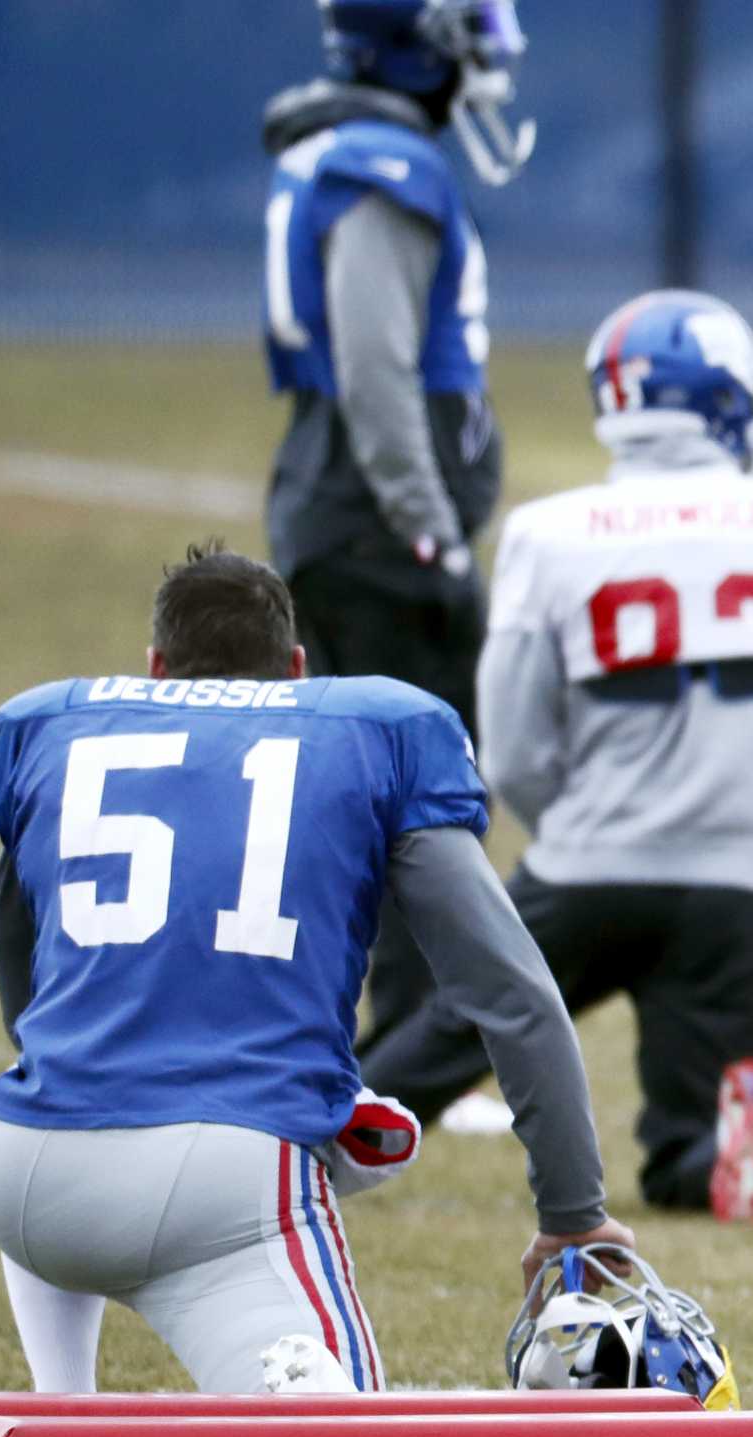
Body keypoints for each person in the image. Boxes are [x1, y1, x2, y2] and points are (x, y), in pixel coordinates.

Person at [0, 544, 632, 1394]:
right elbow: (513, 998)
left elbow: (21, 985)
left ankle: (59, 1411)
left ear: (156, 667)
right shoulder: (379, 730)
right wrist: (573, 1218)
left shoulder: (45, 726)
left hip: (21, 1168)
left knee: (62, 1426)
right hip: (225, 1182)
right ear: (295, 668)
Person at [360, 289, 753, 1222]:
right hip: (745, 881)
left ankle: (324, 1136)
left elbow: (514, 741)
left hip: (589, 862)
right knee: (686, 1145)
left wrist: (576, 824)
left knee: (455, 1029)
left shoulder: (549, 533)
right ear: (723, 395)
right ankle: (711, 1145)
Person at [260, 0, 536, 1092]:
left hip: (341, 510)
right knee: (422, 796)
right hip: (376, 528)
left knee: (362, 797)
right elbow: (376, 369)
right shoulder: (381, 165)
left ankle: (367, 1043)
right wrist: (430, 530)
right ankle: (413, 1053)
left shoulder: (342, 148)